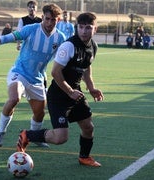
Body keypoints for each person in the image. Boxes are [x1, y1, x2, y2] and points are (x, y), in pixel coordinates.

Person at [17, 12, 104, 167]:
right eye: (81, 27)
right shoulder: (69, 46)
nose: (84, 31)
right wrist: (69, 91)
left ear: (95, 29)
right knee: (60, 138)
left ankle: (84, 157)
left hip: (75, 93)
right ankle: (27, 135)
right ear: (77, 28)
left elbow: (86, 67)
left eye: (88, 28)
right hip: (59, 95)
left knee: (88, 127)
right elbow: (55, 72)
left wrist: (91, 88)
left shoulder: (93, 47)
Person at [0, 3, 65, 148]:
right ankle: (1, 132)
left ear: (58, 20)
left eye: (53, 20)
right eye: (47, 19)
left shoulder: (60, 38)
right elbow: (14, 35)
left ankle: (35, 137)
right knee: (14, 98)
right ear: (42, 17)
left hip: (37, 79)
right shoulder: (31, 29)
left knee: (39, 113)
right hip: (20, 72)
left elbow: (62, 59)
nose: (49, 23)